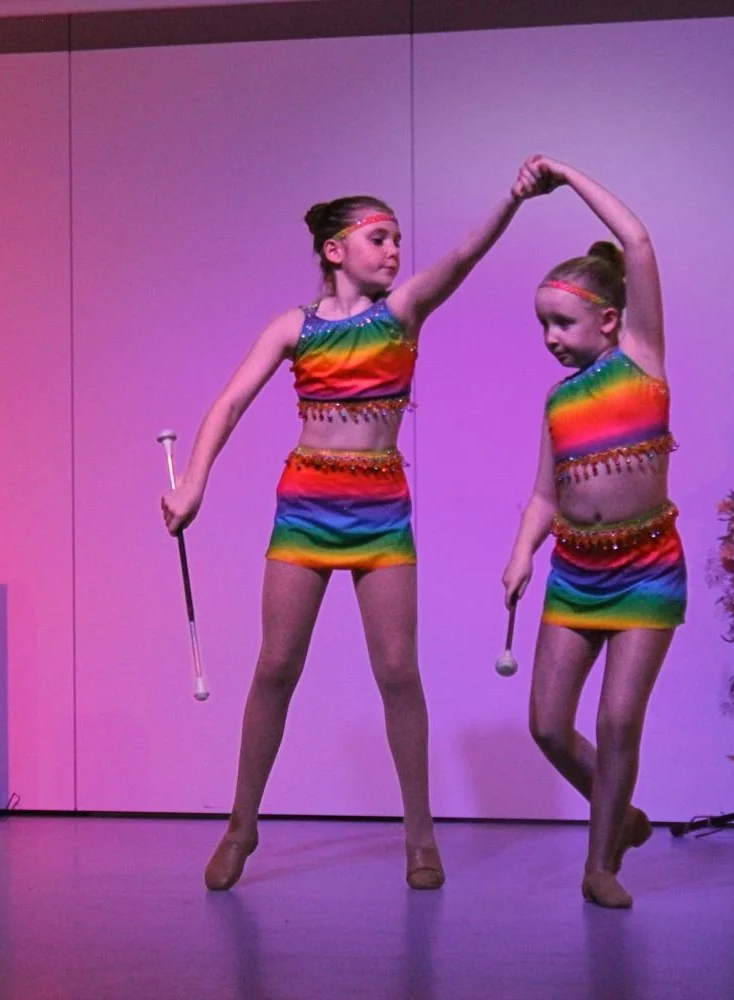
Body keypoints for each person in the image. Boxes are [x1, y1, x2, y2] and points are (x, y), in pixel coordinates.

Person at [162, 180, 531, 891]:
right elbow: (230, 402)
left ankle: (420, 837)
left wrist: (513, 200)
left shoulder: (404, 313)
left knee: (397, 671)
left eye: (395, 239)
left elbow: (465, 254)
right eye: (378, 238)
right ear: (335, 251)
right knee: (275, 668)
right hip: (306, 505)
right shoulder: (292, 327)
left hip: (380, 508)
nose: (394, 250)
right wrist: (194, 483)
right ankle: (242, 824)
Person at [502, 155, 685, 909]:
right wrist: (520, 555)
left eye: (563, 321)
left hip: (646, 569)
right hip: (575, 572)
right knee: (548, 726)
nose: (549, 336)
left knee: (616, 721)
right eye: (542, 323)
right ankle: (625, 818)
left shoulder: (642, 361)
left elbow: (637, 243)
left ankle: (599, 863)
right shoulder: (557, 400)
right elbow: (545, 494)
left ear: (609, 321)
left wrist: (567, 178)